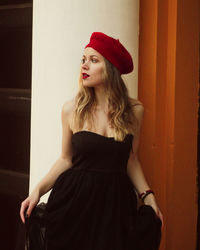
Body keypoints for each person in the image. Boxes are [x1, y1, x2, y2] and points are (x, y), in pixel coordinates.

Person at [20, 31, 164, 250]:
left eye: (93, 60)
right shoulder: (72, 110)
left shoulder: (135, 111)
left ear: (111, 68)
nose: (84, 66)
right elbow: (66, 159)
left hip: (115, 207)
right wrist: (37, 191)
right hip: (75, 204)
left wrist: (148, 197)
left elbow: (131, 160)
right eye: (83, 60)